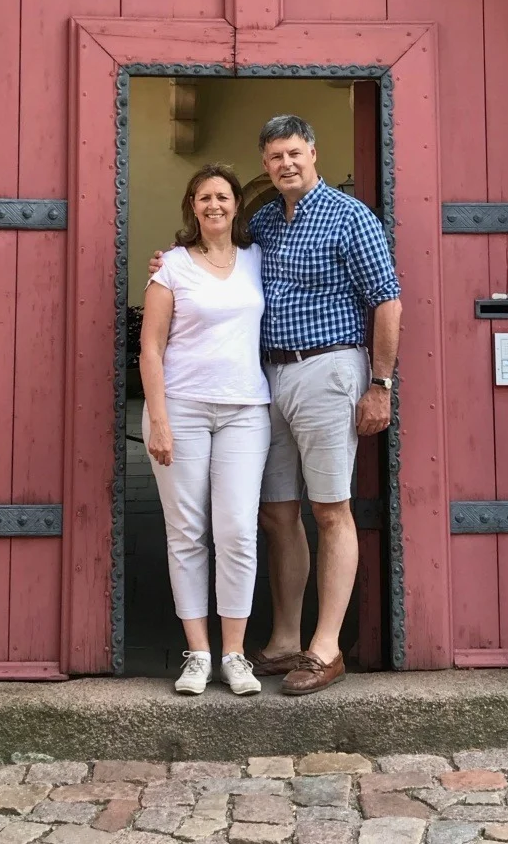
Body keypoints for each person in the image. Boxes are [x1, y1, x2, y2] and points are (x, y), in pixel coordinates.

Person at [151, 115, 402, 696]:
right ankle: (286, 637)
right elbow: (217, 261)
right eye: (274, 157)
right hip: (268, 380)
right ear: (264, 165)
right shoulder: (263, 221)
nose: (285, 164)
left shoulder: (350, 216)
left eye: (294, 152)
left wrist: (380, 385)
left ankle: (325, 647)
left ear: (313, 152)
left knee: (330, 509)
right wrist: (168, 267)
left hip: (328, 368)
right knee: (277, 512)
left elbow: (387, 300)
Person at [139, 163, 272, 697]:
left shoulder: (258, 259)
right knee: (187, 533)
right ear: (191, 207)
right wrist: (159, 421)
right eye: (203, 197)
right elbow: (150, 347)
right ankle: (198, 652)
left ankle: (235, 654)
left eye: (222, 196)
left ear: (237, 204)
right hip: (182, 408)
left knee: (237, 530)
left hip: (245, 410)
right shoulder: (170, 265)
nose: (213, 205)